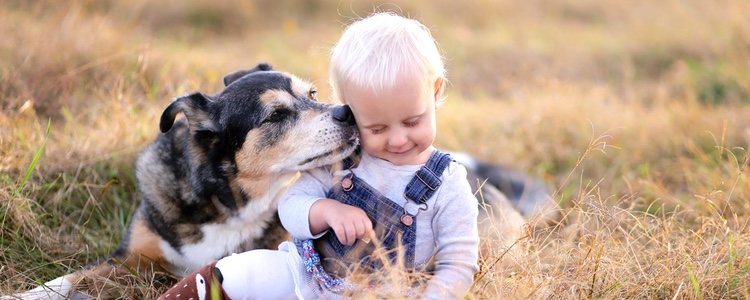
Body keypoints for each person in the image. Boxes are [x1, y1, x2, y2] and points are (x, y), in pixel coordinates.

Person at [158, 12, 479, 299]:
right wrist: (325, 210)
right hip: (304, 273)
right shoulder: (342, 160)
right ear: (348, 106)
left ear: (435, 92)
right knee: (243, 270)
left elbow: (459, 261)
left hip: (381, 292)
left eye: (412, 122)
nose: (397, 140)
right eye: (376, 128)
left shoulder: (447, 183)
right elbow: (292, 207)